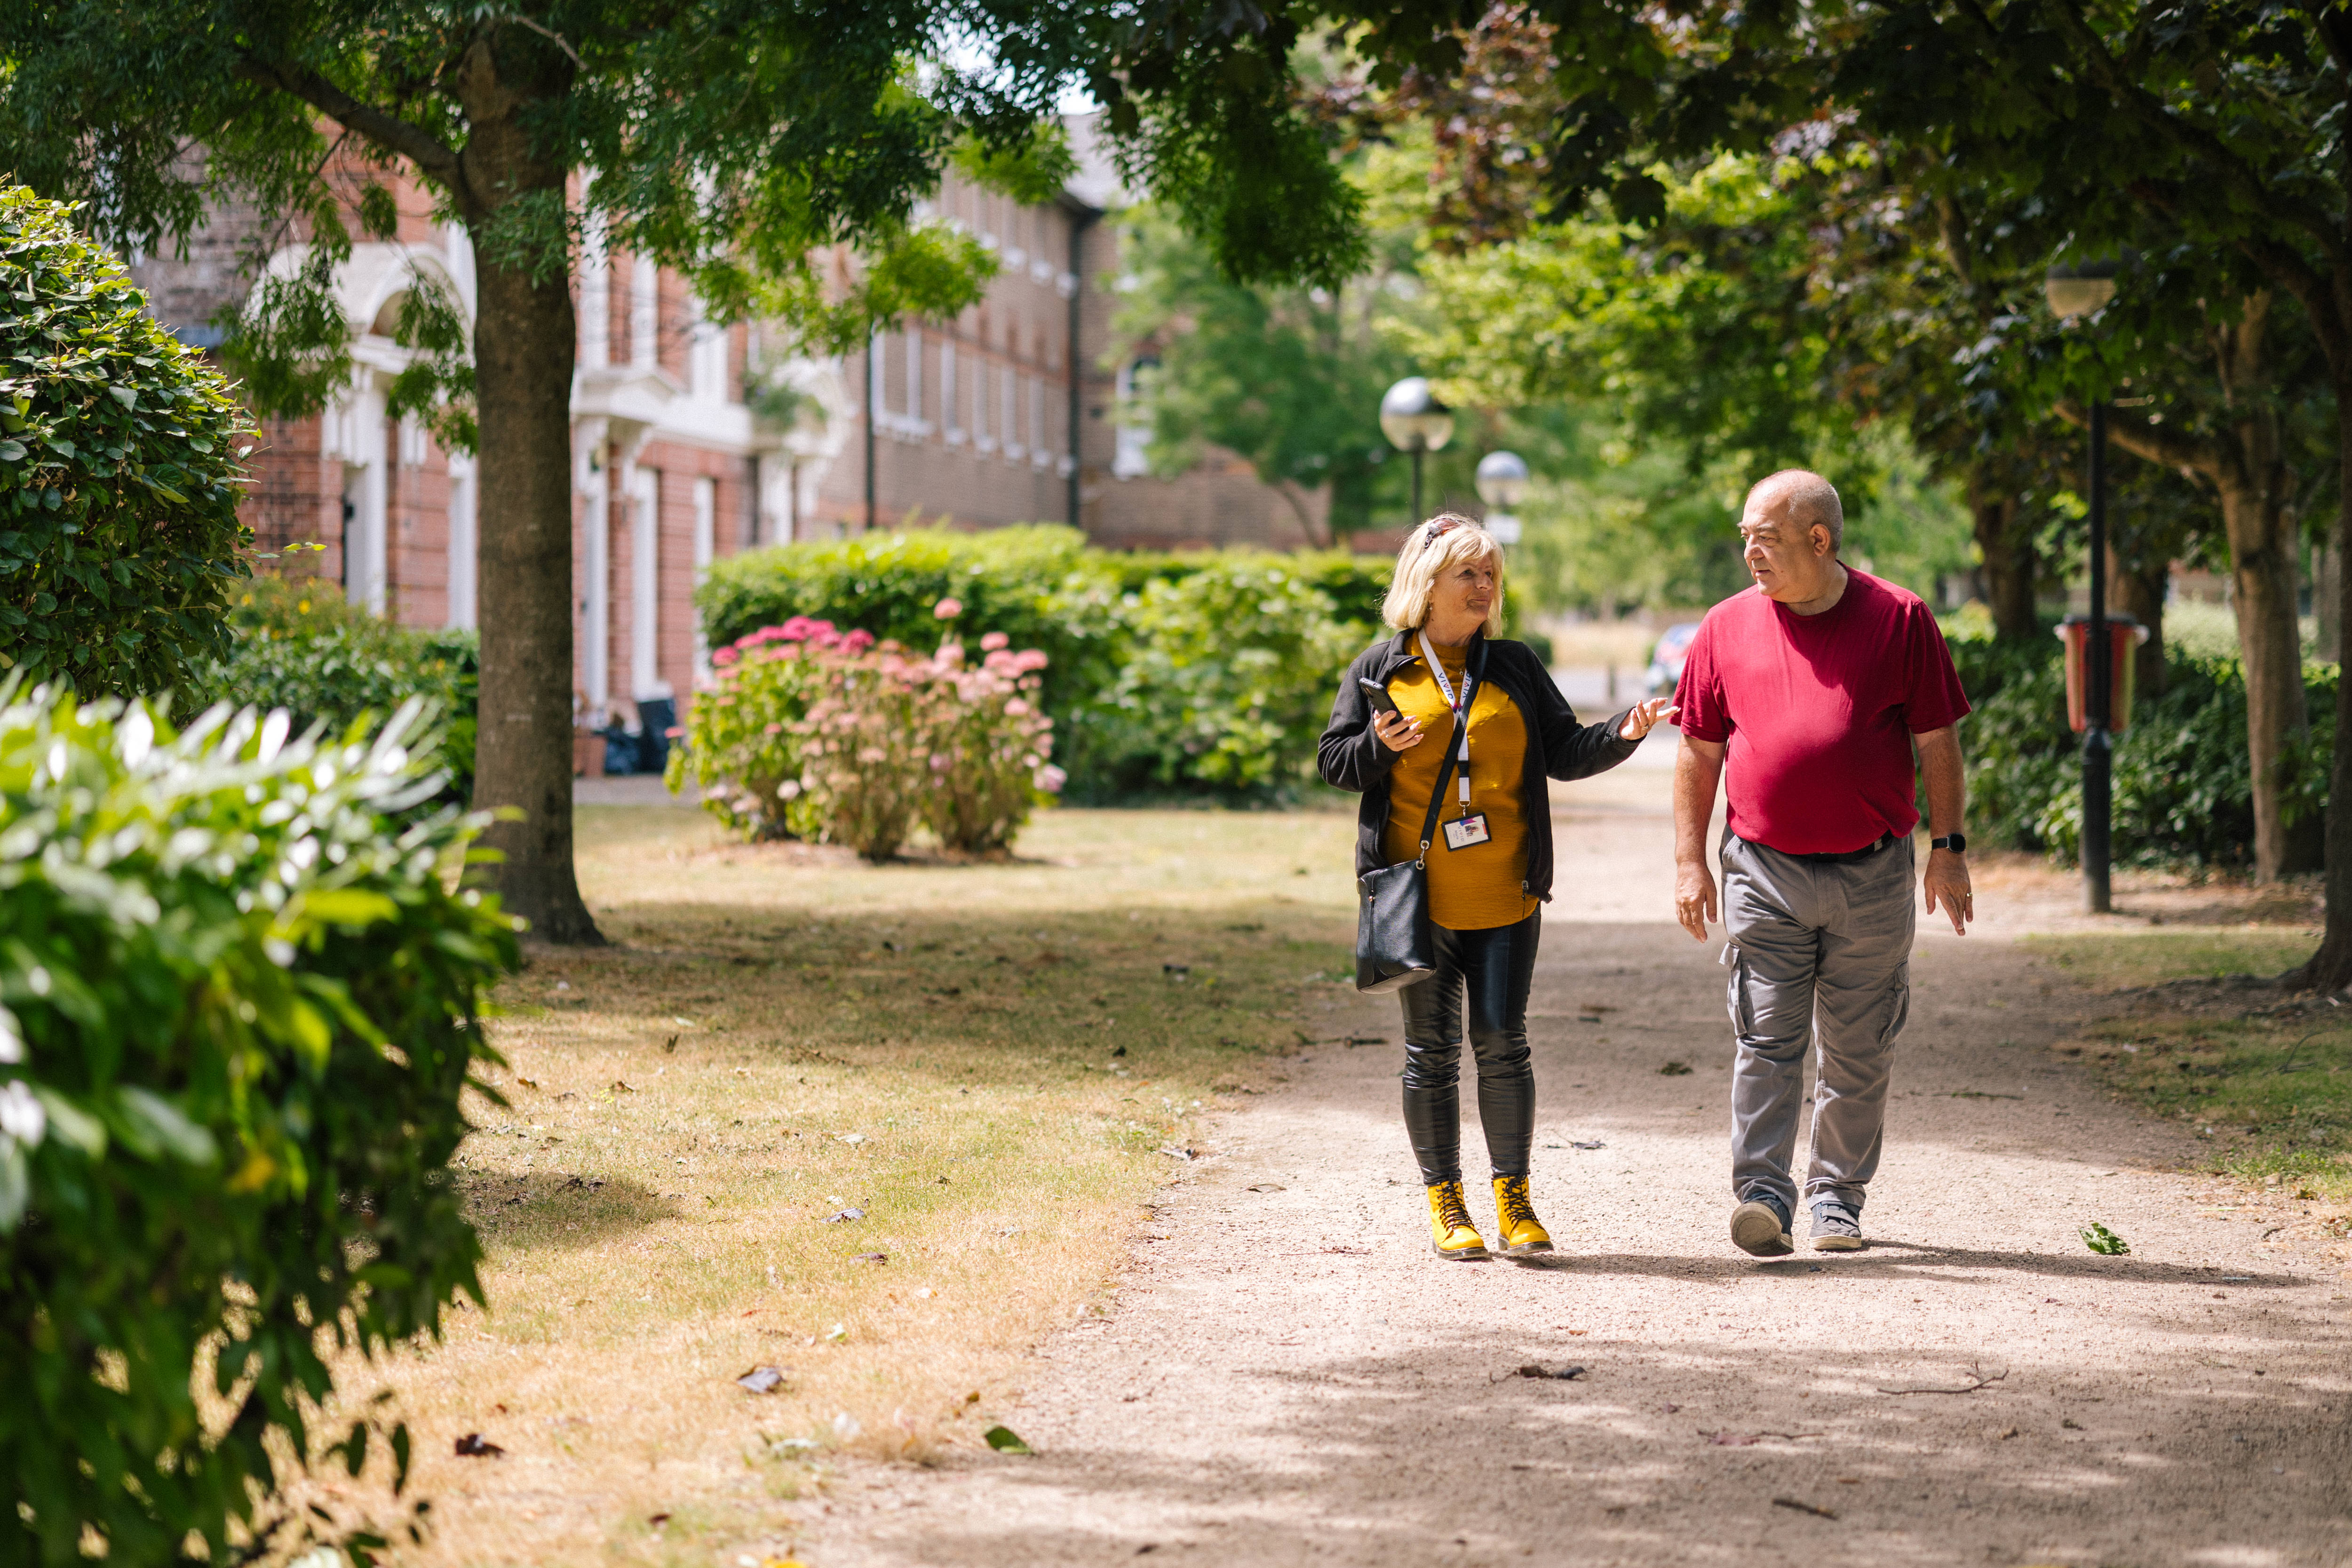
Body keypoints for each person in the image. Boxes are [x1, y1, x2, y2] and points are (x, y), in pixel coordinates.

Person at [1320, 516, 1675, 1261]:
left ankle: (1513, 1196)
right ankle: (1445, 1200)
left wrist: (1625, 730)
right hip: (1418, 900)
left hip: (1507, 891)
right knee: (1432, 1051)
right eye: (1469, 575)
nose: (1484, 589)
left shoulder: (1512, 664)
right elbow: (1334, 762)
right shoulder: (1381, 668)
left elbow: (1566, 751)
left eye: (1491, 575)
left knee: (1503, 1041)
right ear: (1428, 583)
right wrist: (1376, 748)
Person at [1671, 470, 1974, 1257]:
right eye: (1744, 536)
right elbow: (1700, 753)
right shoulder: (1723, 627)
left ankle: (1837, 1199)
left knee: (1859, 1045)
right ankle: (1765, 1196)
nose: (1749, 553)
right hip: (1763, 870)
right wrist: (1689, 862)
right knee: (1766, 1038)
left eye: (1763, 537)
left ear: (1819, 538)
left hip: (1872, 874)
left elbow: (1938, 740)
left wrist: (1947, 849)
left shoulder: (1900, 617)